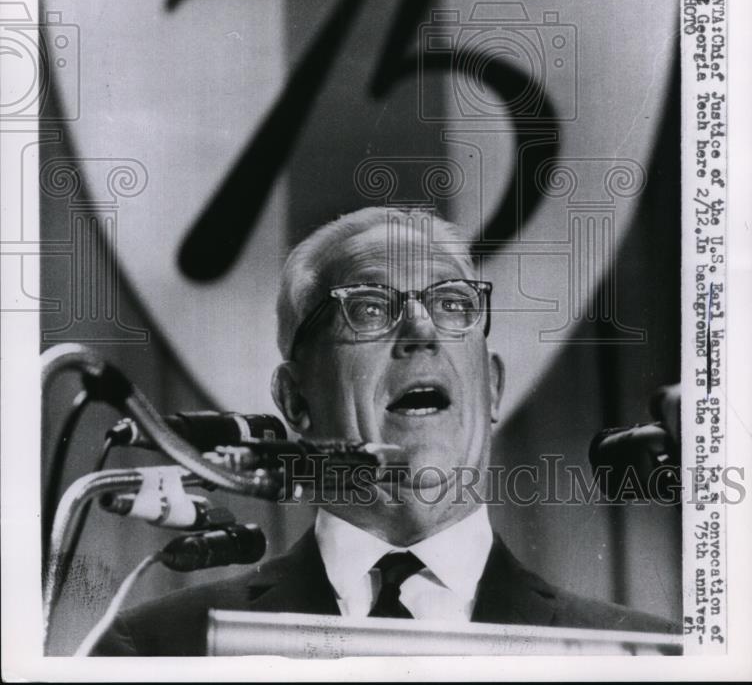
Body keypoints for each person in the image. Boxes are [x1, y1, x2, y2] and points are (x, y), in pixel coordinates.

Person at [93, 206, 677, 655]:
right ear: (296, 401)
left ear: (493, 387)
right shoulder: (158, 646)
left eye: (452, 304)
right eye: (370, 308)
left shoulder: (642, 655)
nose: (420, 331)